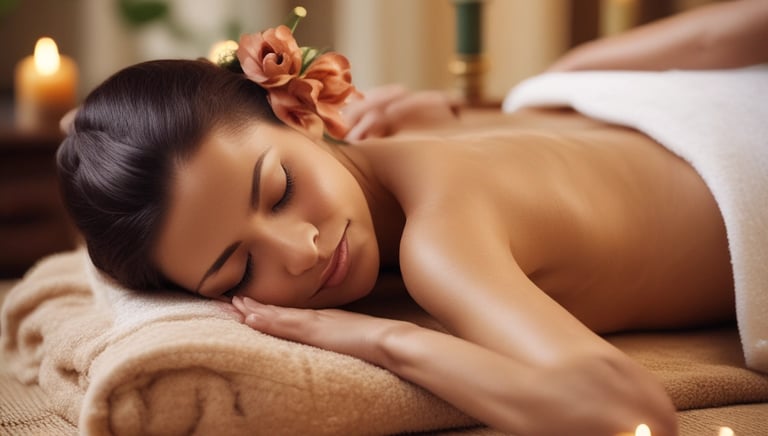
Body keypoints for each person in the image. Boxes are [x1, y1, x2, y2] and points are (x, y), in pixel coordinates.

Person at [55, 1, 767, 435]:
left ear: (298, 114)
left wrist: (387, 343)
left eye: (278, 190)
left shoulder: (442, 243)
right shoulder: (424, 127)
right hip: (668, 100)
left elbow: (626, 412)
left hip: (716, 124)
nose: (299, 250)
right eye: (240, 269)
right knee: (553, 85)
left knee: (560, 82)